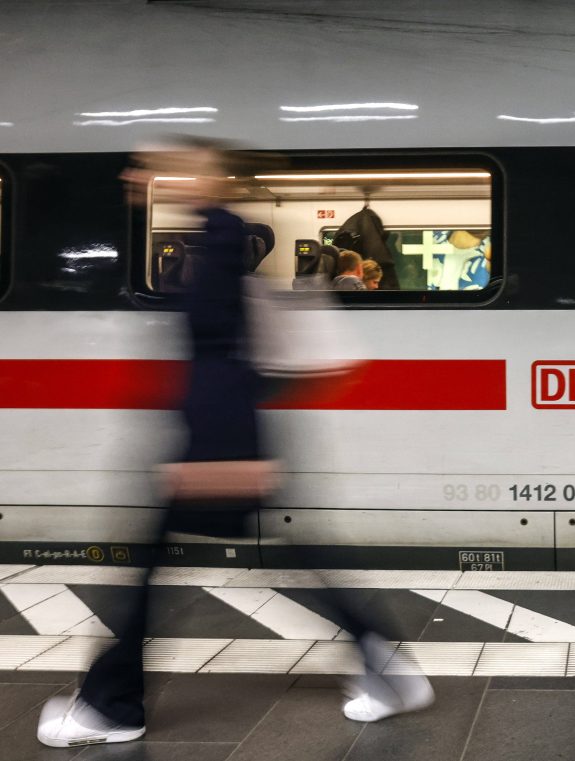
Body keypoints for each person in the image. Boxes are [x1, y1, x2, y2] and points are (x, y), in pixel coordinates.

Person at [37, 139, 432, 749]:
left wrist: (215, 453)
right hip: (222, 437)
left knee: (146, 575)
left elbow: (221, 355)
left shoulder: (219, 239)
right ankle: (381, 663)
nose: (134, 173)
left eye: (153, 164)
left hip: (217, 441)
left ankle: (112, 705)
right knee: (283, 557)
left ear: (201, 175)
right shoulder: (217, 234)